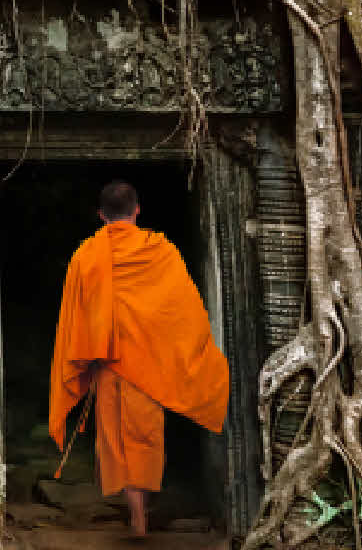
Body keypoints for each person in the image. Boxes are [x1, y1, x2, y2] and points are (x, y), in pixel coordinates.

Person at [50, 180, 229, 538]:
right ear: (137, 210)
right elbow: (184, 311)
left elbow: (74, 315)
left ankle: (136, 515)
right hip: (149, 366)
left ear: (101, 216)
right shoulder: (159, 251)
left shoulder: (86, 254)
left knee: (117, 441)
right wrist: (186, 351)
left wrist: (86, 356)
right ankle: (142, 512)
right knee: (145, 438)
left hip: (108, 366)